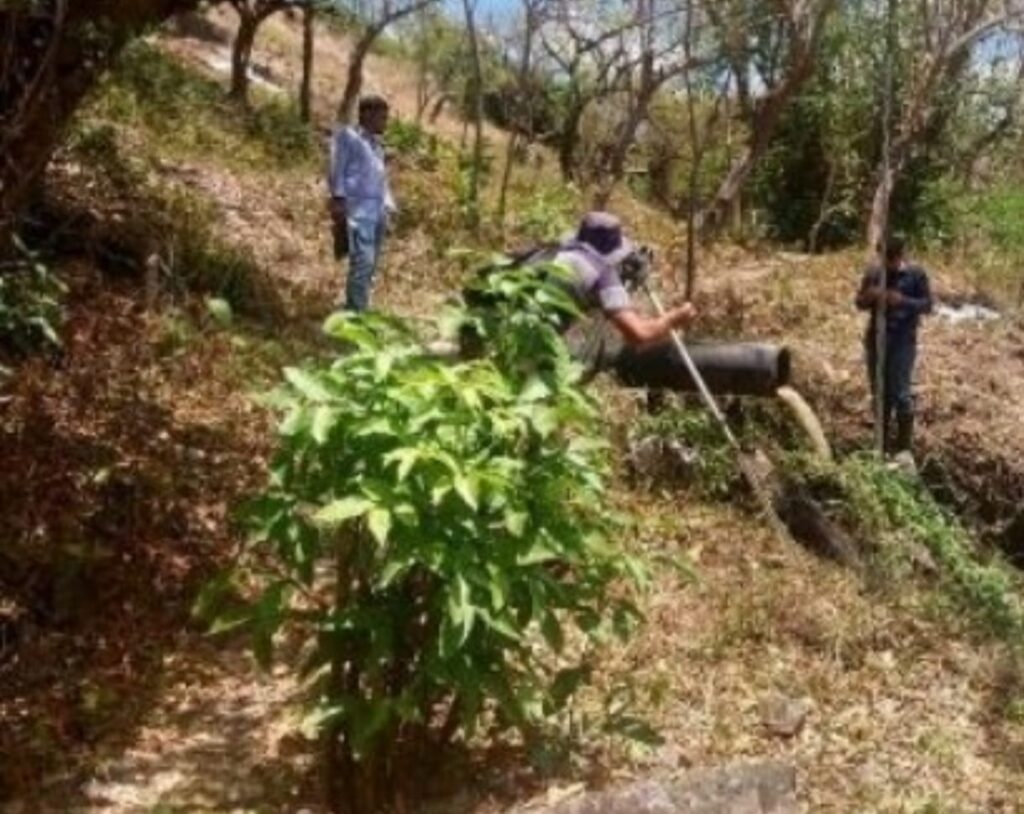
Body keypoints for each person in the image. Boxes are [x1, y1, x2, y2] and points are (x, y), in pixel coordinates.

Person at [855, 236, 933, 455]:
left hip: (902, 341)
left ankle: (903, 448)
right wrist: (869, 296)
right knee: (879, 391)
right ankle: (880, 445)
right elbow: (859, 303)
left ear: (901, 255)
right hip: (876, 340)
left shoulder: (916, 274)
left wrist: (902, 300)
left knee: (900, 392)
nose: (887, 263)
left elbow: (927, 305)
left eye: (892, 259)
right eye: (884, 258)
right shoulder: (874, 273)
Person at [327, 95, 396, 312]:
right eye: (382, 117)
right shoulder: (348, 136)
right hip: (358, 210)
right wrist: (338, 199)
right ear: (366, 114)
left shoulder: (377, 147)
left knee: (371, 266)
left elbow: (380, 181)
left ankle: (360, 307)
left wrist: (389, 207)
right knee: (362, 263)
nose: (385, 122)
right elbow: (336, 167)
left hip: (377, 213)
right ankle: (354, 314)